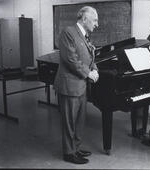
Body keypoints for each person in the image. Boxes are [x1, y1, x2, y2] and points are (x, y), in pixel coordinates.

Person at [54, 6, 99, 164]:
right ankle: (69, 152)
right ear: (85, 19)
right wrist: (89, 73)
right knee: (69, 121)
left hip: (81, 86)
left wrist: (95, 69)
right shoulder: (68, 32)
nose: (97, 24)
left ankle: (76, 148)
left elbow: (89, 57)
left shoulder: (85, 35)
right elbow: (71, 59)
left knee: (79, 121)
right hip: (69, 86)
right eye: (95, 20)